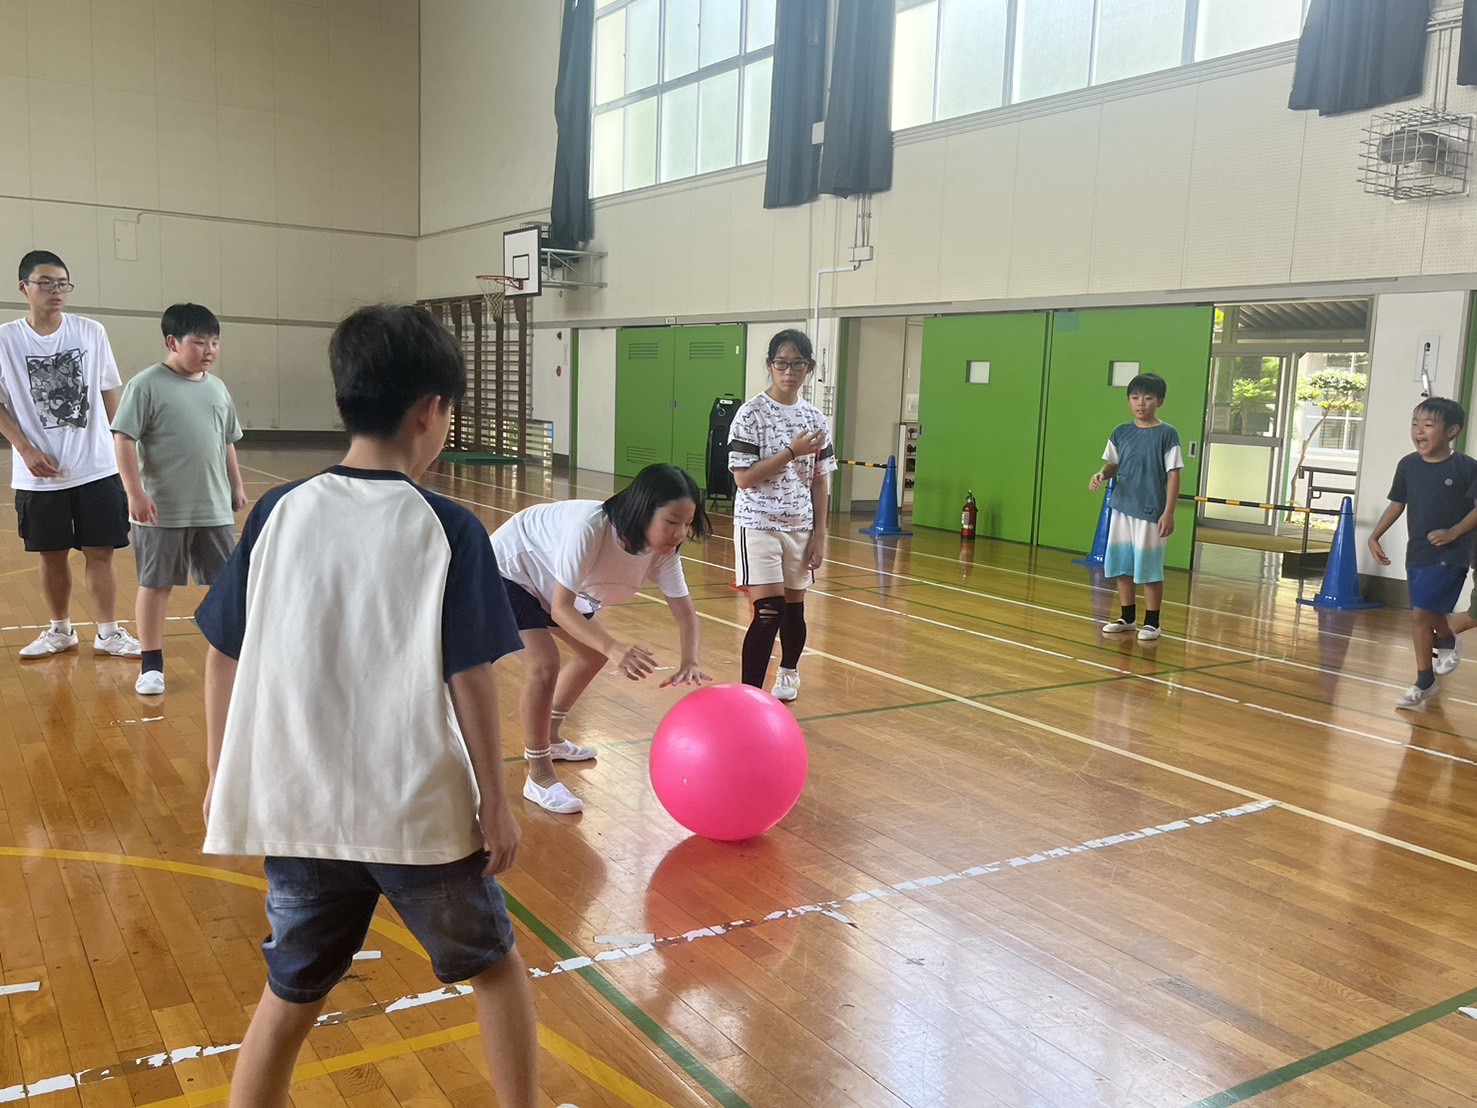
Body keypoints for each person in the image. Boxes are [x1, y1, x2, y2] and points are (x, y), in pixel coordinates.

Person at [194, 304, 539, 1108]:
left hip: (298, 807)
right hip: (416, 812)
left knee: (290, 997)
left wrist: (222, 774)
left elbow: (221, 653)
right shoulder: (448, 527)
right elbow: (473, 678)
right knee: (492, 968)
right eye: (450, 412)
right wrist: (496, 802)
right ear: (430, 411)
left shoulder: (280, 511)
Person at [491, 463, 711, 814]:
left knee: (592, 655)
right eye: (672, 522)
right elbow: (562, 609)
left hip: (554, 583)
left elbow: (686, 614)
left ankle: (552, 736)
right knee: (544, 663)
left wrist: (690, 661)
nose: (680, 533)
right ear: (643, 511)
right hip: (509, 570)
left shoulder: (663, 554)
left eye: (687, 524)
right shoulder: (591, 528)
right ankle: (540, 774)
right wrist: (615, 646)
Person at [0, 250, 141, 659]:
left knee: (102, 552)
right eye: (45, 283)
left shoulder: (91, 331)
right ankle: (60, 630)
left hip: (96, 466)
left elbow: (108, 392)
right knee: (51, 554)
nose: (55, 291)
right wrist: (24, 448)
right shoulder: (7, 339)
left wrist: (124, 446)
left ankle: (109, 632)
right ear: (24, 288)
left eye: (62, 283)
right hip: (38, 474)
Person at [112, 304, 246, 696]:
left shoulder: (218, 388)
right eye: (200, 342)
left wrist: (235, 485)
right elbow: (123, 438)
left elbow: (227, 442)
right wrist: (134, 493)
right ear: (172, 342)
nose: (209, 351)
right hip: (162, 509)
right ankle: (151, 663)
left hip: (213, 508)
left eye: (215, 342)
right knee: (156, 585)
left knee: (227, 584)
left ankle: (233, 655)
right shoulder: (145, 385)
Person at [728, 328, 836, 701]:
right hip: (758, 523)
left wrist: (820, 534)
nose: (789, 372)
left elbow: (820, 480)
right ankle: (750, 696)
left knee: (793, 610)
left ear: (809, 368)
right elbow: (744, 479)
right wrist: (790, 451)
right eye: (781, 363)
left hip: (800, 525)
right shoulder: (750, 414)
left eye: (797, 364)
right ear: (770, 366)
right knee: (768, 611)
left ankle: (789, 672)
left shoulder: (815, 419)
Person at [1367, 397, 1477, 711]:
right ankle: (1427, 677)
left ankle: (1442, 648)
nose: (1419, 431)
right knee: (1420, 615)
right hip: (1417, 551)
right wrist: (1375, 535)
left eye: (1428, 425)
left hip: (1453, 552)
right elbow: (1397, 503)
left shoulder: (1466, 468)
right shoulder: (1408, 465)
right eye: (1415, 424)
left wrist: (1454, 531)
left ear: (1452, 431)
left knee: (1421, 612)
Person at [1088, 372, 1184, 643]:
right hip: (1121, 508)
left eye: (1148, 397)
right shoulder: (1121, 431)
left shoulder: (1167, 434)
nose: (1141, 403)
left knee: (1149, 567)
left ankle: (1152, 623)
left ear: (1160, 401)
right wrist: (1101, 474)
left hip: (1151, 512)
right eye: (1135, 397)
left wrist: (1169, 511)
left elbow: (1174, 474)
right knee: (1121, 565)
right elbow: (1113, 464)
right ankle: (1127, 617)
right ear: (1129, 401)